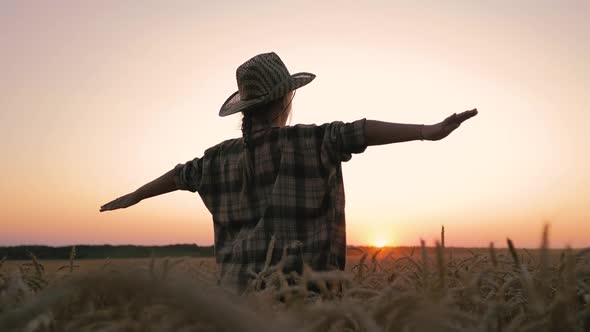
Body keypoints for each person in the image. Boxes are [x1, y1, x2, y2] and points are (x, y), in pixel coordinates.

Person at [100, 52, 478, 293]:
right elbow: (360, 130)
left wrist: (137, 194)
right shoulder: (311, 141)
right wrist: (425, 132)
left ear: (245, 107)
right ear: (286, 98)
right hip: (303, 306)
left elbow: (180, 175)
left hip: (237, 310)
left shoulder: (216, 160)